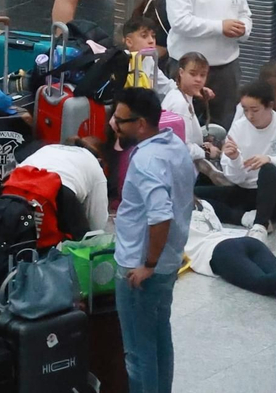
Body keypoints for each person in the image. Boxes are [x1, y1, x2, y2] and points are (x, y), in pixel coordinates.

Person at [110, 87, 195, 393]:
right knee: (159, 339)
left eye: (120, 120)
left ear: (141, 124)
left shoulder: (146, 160)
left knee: (138, 352)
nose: (114, 125)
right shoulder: (174, 144)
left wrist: (148, 264)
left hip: (141, 269)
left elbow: (160, 215)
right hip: (169, 261)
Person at [163, 0, 252, 128]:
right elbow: (180, 21)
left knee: (224, 125)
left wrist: (244, 29)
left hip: (226, 70)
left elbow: (245, 14)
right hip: (187, 69)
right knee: (183, 123)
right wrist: (220, 27)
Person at [196, 81, 276, 235]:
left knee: (267, 169)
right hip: (247, 192)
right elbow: (236, 179)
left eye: (255, 110)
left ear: (269, 106)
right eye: (245, 110)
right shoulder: (239, 127)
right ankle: (244, 218)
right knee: (192, 195)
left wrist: (272, 160)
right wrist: (234, 159)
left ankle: (260, 226)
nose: (249, 116)